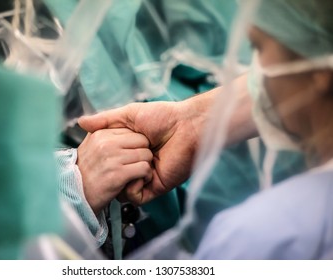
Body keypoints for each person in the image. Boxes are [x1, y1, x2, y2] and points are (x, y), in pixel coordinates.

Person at [78, 0, 333, 259]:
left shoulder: (259, 238)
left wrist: (71, 191)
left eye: (258, 47)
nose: (255, 72)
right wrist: (191, 122)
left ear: (320, 69)